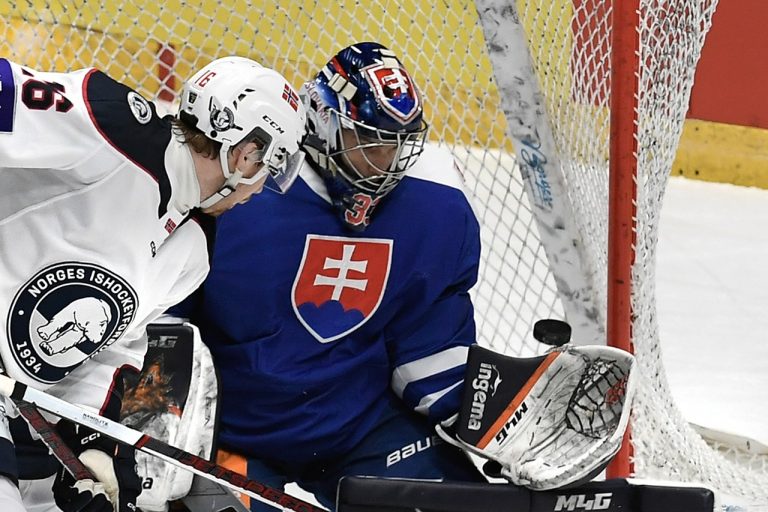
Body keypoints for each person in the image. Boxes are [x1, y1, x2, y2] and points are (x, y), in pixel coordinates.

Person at [182, 42, 486, 511]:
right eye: (370, 143)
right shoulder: (237, 183)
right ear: (324, 120)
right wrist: (156, 429)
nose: (386, 163)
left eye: (396, 145)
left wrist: (493, 418)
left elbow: (427, 340)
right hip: (230, 431)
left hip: (360, 426)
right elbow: (165, 324)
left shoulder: (434, 203)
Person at [0, 54, 306, 512]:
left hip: (21, 414)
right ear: (245, 154)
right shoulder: (111, 125)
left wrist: (95, 446)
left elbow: (112, 351)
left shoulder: (193, 248)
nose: (260, 188)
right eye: (268, 165)